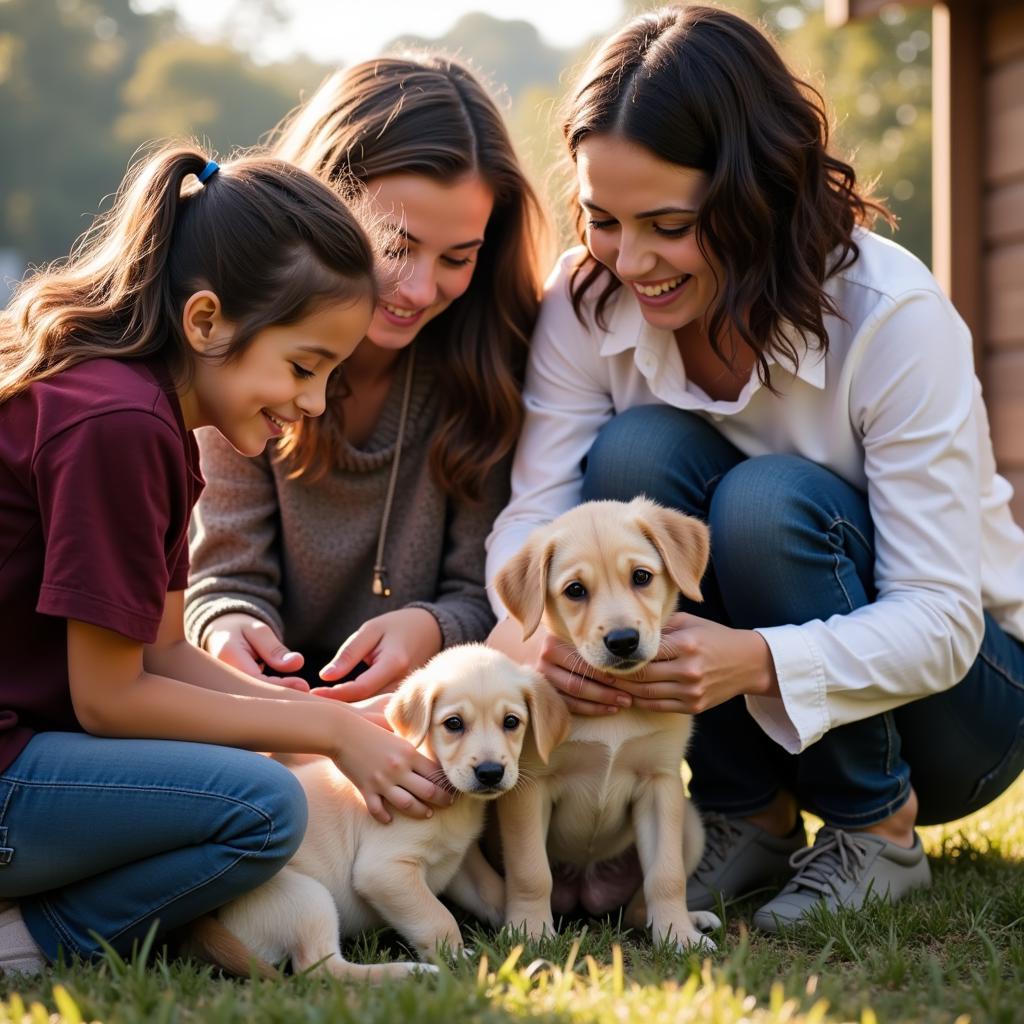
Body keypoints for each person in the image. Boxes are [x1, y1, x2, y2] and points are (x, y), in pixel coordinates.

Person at [487, 4, 1024, 932]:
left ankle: (875, 830)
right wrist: (535, 642)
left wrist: (758, 661)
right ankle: (749, 815)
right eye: (604, 220)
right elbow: (537, 517)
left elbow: (942, 621)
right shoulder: (588, 300)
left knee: (764, 502)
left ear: (756, 195)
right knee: (634, 457)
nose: (631, 261)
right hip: (769, 708)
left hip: (959, 710)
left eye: (668, 224)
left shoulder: (891, 315)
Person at [0, 145, 455, 976]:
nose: (313, 402)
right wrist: (317, 730)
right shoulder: (116, 425)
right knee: (262, 808)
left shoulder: (157, 427)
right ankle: (28, 941)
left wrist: (339, 728)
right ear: (206, 322)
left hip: (30, 757)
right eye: (303, 366)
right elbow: (110, 699)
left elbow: (165, 651)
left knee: (267, 770)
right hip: (11, 776)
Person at [185, 56, 544, 703]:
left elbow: (486, 589)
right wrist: (229, 630)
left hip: (424, 707)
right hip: (266, 707)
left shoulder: (489, 366)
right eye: (396, 246)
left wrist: (430, 630)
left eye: (457, 257)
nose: (419, 289)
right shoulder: (245, 352)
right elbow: (224, 576)